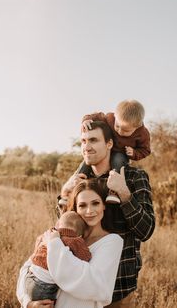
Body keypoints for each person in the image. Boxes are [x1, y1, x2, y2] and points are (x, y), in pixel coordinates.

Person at [59, 120, 155, 307]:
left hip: (117, 287)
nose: (86, 147)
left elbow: (147, 231)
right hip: (79, 281)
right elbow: (65, 231)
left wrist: (125, 195)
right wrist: (64, 196)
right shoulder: (79, 181)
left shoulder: (135, 177)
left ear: (110, 144)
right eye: (83, 141)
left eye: (93, 140)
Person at [17, 178, 124, 308]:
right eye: (82, 205)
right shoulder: (62, 233)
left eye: (95, 203)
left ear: (104, 205)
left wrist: (55, 244)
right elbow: (28, 268)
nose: (89, 211)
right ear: (75, 208)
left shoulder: (112, 242)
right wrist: (28, 302)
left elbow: (95, 286)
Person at [79, 100, 151, 203]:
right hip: (105, 151)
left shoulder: (143, 134)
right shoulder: (109, 118)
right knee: (86, 163)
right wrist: (86, 120)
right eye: (117, 126)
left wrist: (134, 153)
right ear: (115, 116)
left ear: (137, 127)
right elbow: (97, 116)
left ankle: (113, 191)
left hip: (121, 153)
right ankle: (75, 185)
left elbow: (146, 150)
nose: (120, 131)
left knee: (118, 161)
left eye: (126, 131)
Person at [25, 211, 91, 303]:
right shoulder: (74, 241)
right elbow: (86, 257)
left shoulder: (47, 235)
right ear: (80, 234)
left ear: (58, 224)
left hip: (30, 277)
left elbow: (37, 247)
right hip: (44, 285)